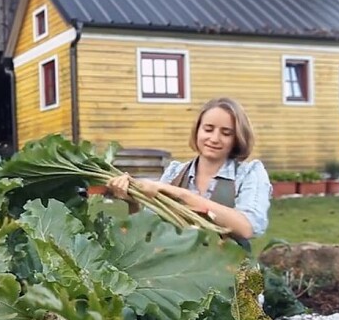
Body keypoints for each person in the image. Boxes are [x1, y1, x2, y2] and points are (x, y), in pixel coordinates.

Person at [107, 97, 272, 249]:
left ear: (238, 137)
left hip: (238, 275)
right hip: (183, 276)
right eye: (208, 129)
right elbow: (148, 234)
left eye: (226, 133)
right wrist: (133, 202)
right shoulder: (175, 173)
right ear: (197, 130)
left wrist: (182, 195)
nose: (214, 138)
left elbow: (247, 227)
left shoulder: (249, 173)